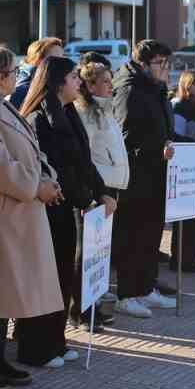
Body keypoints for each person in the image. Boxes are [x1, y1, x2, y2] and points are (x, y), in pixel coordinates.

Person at [0, 44, 63, 389]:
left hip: (14, 210)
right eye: (10, 73)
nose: (16, 78)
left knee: (5, 287)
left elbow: (30, 152)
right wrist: (37, 186)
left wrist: (46, 178)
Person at [21, 56, 110, 363]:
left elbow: (84, 161)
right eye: (74, 77)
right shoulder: (38, 119)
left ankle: (55, 339)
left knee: (62, 276)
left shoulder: (70, 113)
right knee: (45, 277)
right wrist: (85, 199)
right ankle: (36, 346)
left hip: (69, 207)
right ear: (58, 81)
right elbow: (57, 167)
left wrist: (101, 192)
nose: (79, 82)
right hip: (49, 207)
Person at [110, 41, 176, 316]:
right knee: (132, 236)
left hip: (157, 174)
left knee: (151, 236)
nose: (165, 69)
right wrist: (155, 150)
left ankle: (146, 288)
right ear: (143, 63)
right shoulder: (129, 90)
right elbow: (123, 140)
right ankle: (127, 294)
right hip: (136, 178)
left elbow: (162, 130)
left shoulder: (156, 89)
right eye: (161, 63)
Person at [76, 62, 132, 288]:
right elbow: (84, 155)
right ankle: (84, 307)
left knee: (103, 247)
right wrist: (92, 190)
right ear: (90, 85)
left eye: (111, 80)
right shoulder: (86, 113)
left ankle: (96, 296)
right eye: (105, 81)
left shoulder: (106, 109)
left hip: (113, 183)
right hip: (100, 185)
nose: (111, 86)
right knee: (91, 248)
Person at [167, 71, 195, 272]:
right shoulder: (179, 107)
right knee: (185, 218)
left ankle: (194, 257)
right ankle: (181, 259)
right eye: (194, 83)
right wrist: (194, 145)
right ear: (185, 85)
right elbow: (175, 136)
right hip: (185, 171)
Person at [10, 37, 64, 109]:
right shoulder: (23, 90)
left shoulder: (52, 83)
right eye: (56, 59)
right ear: (38, 60)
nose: (63, 63)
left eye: (63, 58)